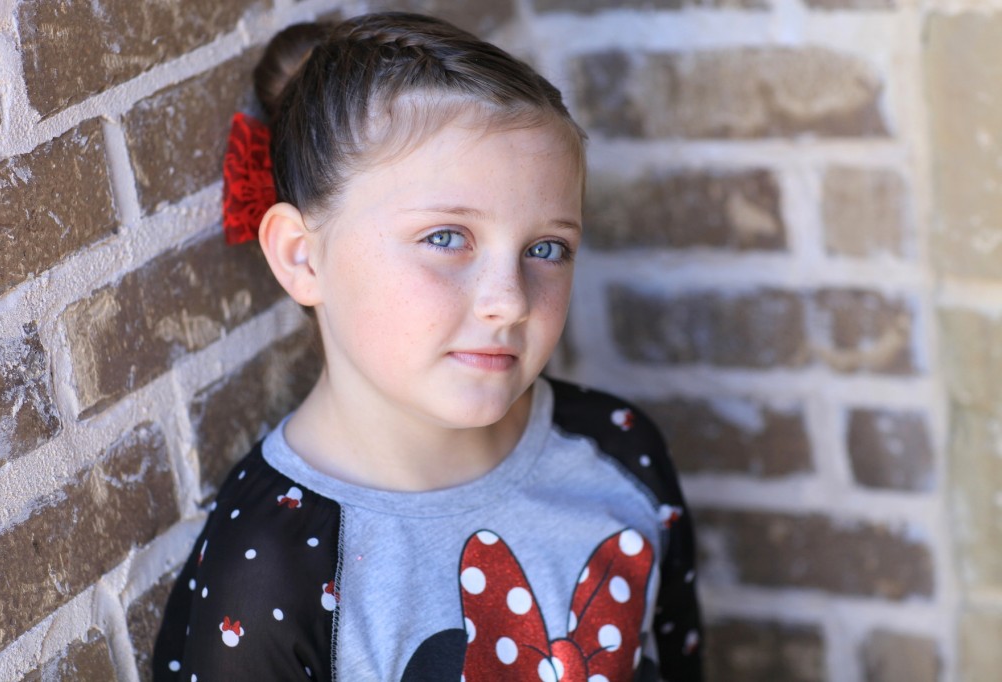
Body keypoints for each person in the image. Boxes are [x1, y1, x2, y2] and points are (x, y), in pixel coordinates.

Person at [152, 11, 702, 681]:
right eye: (446, 237)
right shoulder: (274, 567)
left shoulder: (618, 452)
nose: (511, 299)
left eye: (547, 248)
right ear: (303, 257)